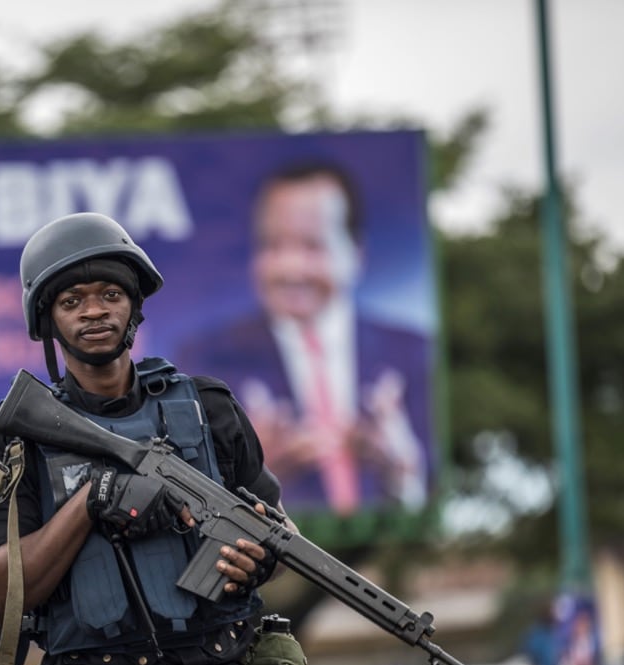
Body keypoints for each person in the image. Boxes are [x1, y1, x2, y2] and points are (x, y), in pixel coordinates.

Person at [0, 212, 290, 665]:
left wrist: (257, 559)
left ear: (135, 308)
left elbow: (275, 527)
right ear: (47, 321)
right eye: (71, 300)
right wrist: (91, 502)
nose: (93, 312)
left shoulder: (207, 408)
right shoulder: (13, 440)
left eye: (110, 294)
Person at [176, 162, 432, 516]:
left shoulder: (416, 354)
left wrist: (403, 475)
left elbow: (437, 500)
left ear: (356, 253)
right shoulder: (201, 361)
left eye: (312, 246)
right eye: (272, 245)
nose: (289, 268)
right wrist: (248, 476)